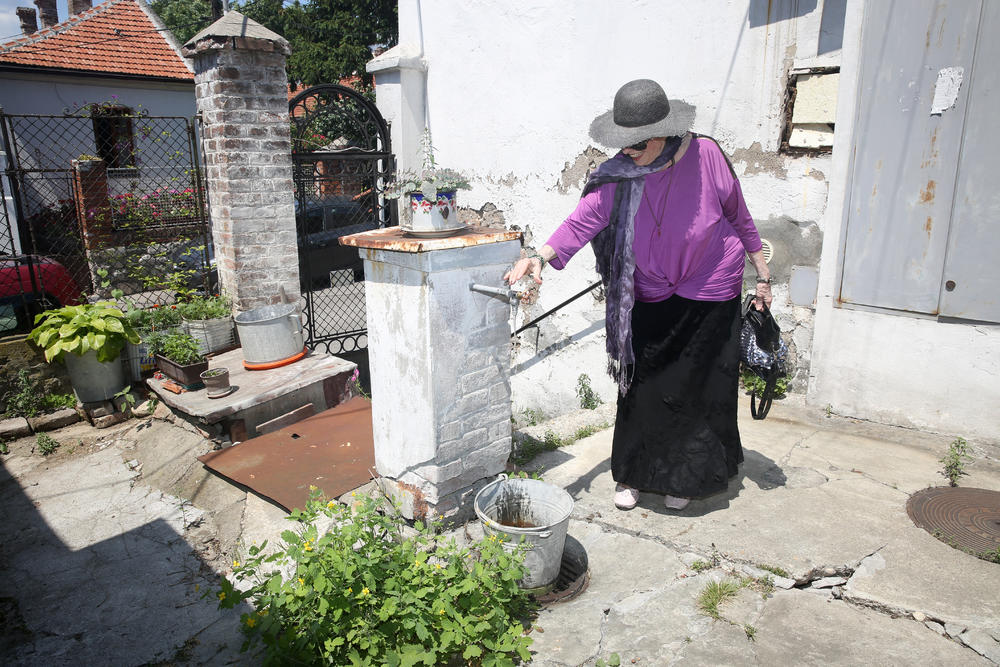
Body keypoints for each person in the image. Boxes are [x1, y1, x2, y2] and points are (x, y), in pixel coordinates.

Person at [504, 79, 771, 511]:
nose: (626, 152)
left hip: (710, 286)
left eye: (636, 144)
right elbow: (582, 220)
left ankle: (684, 476)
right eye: (622, 143)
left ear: (664, 134)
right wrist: (540, 256)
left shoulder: (707, 157)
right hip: (648, 290)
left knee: (694, 385)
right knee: (641, 384)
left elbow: (738, 214)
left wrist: (763, 274)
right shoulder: (620, 172)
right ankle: (634, 472)